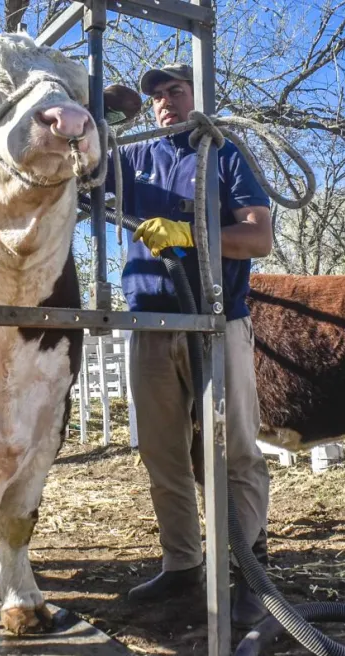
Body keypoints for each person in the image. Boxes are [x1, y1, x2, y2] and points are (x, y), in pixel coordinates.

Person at [105, 63, 273, 627]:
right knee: (162, 453)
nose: (163, 103)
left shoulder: (225, 155)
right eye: (156, 96)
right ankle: (183, 565)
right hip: (151, 325)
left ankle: (249, 570)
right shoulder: (132, 159)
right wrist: (97, 119)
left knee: (236, 450)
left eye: (175, 91)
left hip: (217, 321)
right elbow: (80, 175)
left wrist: (193, 235)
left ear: (197, 95)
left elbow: (259, 237)